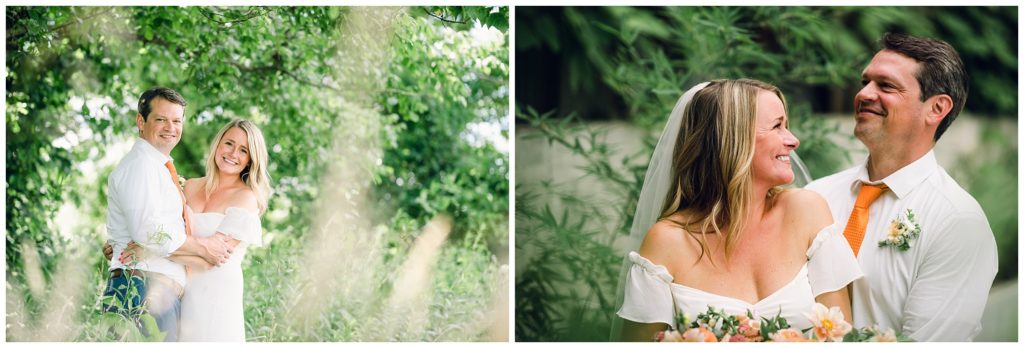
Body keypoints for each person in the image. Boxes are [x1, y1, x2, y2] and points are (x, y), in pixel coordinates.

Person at [614, 79, 863, 341]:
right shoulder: (667, 241)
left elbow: (840, 336)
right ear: (732, 138)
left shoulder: (806, 211)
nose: (793, 140)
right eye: (777, 126)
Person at [805, 32, 997, 341]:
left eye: (886, 85)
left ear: (936, 109)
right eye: (865, 82)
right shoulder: (816, 195)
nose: (864, 93)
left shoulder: (958, 223)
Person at [118, 119, 270, 341]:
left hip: (217, 290)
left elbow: (211, 257)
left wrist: (148, 249)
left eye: (243, 150)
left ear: (250, 159)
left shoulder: (246, 198)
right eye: (229, 144)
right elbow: (166, 230)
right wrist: (127, 242)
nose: (233, 153)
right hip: (180, 287)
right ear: (218, 144)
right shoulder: (190, 186)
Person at [103, 87, 234, 342]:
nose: (170, 127)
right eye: (161, 119)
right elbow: (147, 231)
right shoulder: (141, 165)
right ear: (141, 122)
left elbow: (148, 231)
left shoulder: (157, 167)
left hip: (154, 290)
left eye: (176, 121)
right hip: (143, 288)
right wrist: (203, 246)